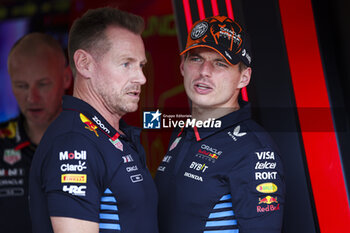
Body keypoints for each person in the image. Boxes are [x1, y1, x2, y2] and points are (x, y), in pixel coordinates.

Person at [29, 7, 158, 233]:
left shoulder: (106, 136)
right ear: (84, 64)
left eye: (141, 65)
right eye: (126, 64)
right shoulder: (74, 142)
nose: (141, 78)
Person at [155, 15, 285, 233]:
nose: (204, 71)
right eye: (196, 59)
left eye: (220, 63)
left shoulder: (254, 150)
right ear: (182, 67)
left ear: (244, 78)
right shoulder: (182, 132)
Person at [0, 32, 71, 233]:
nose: (32, 97)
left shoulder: (92, 138)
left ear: (66, 78)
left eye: (43, 84)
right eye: (22, 86)